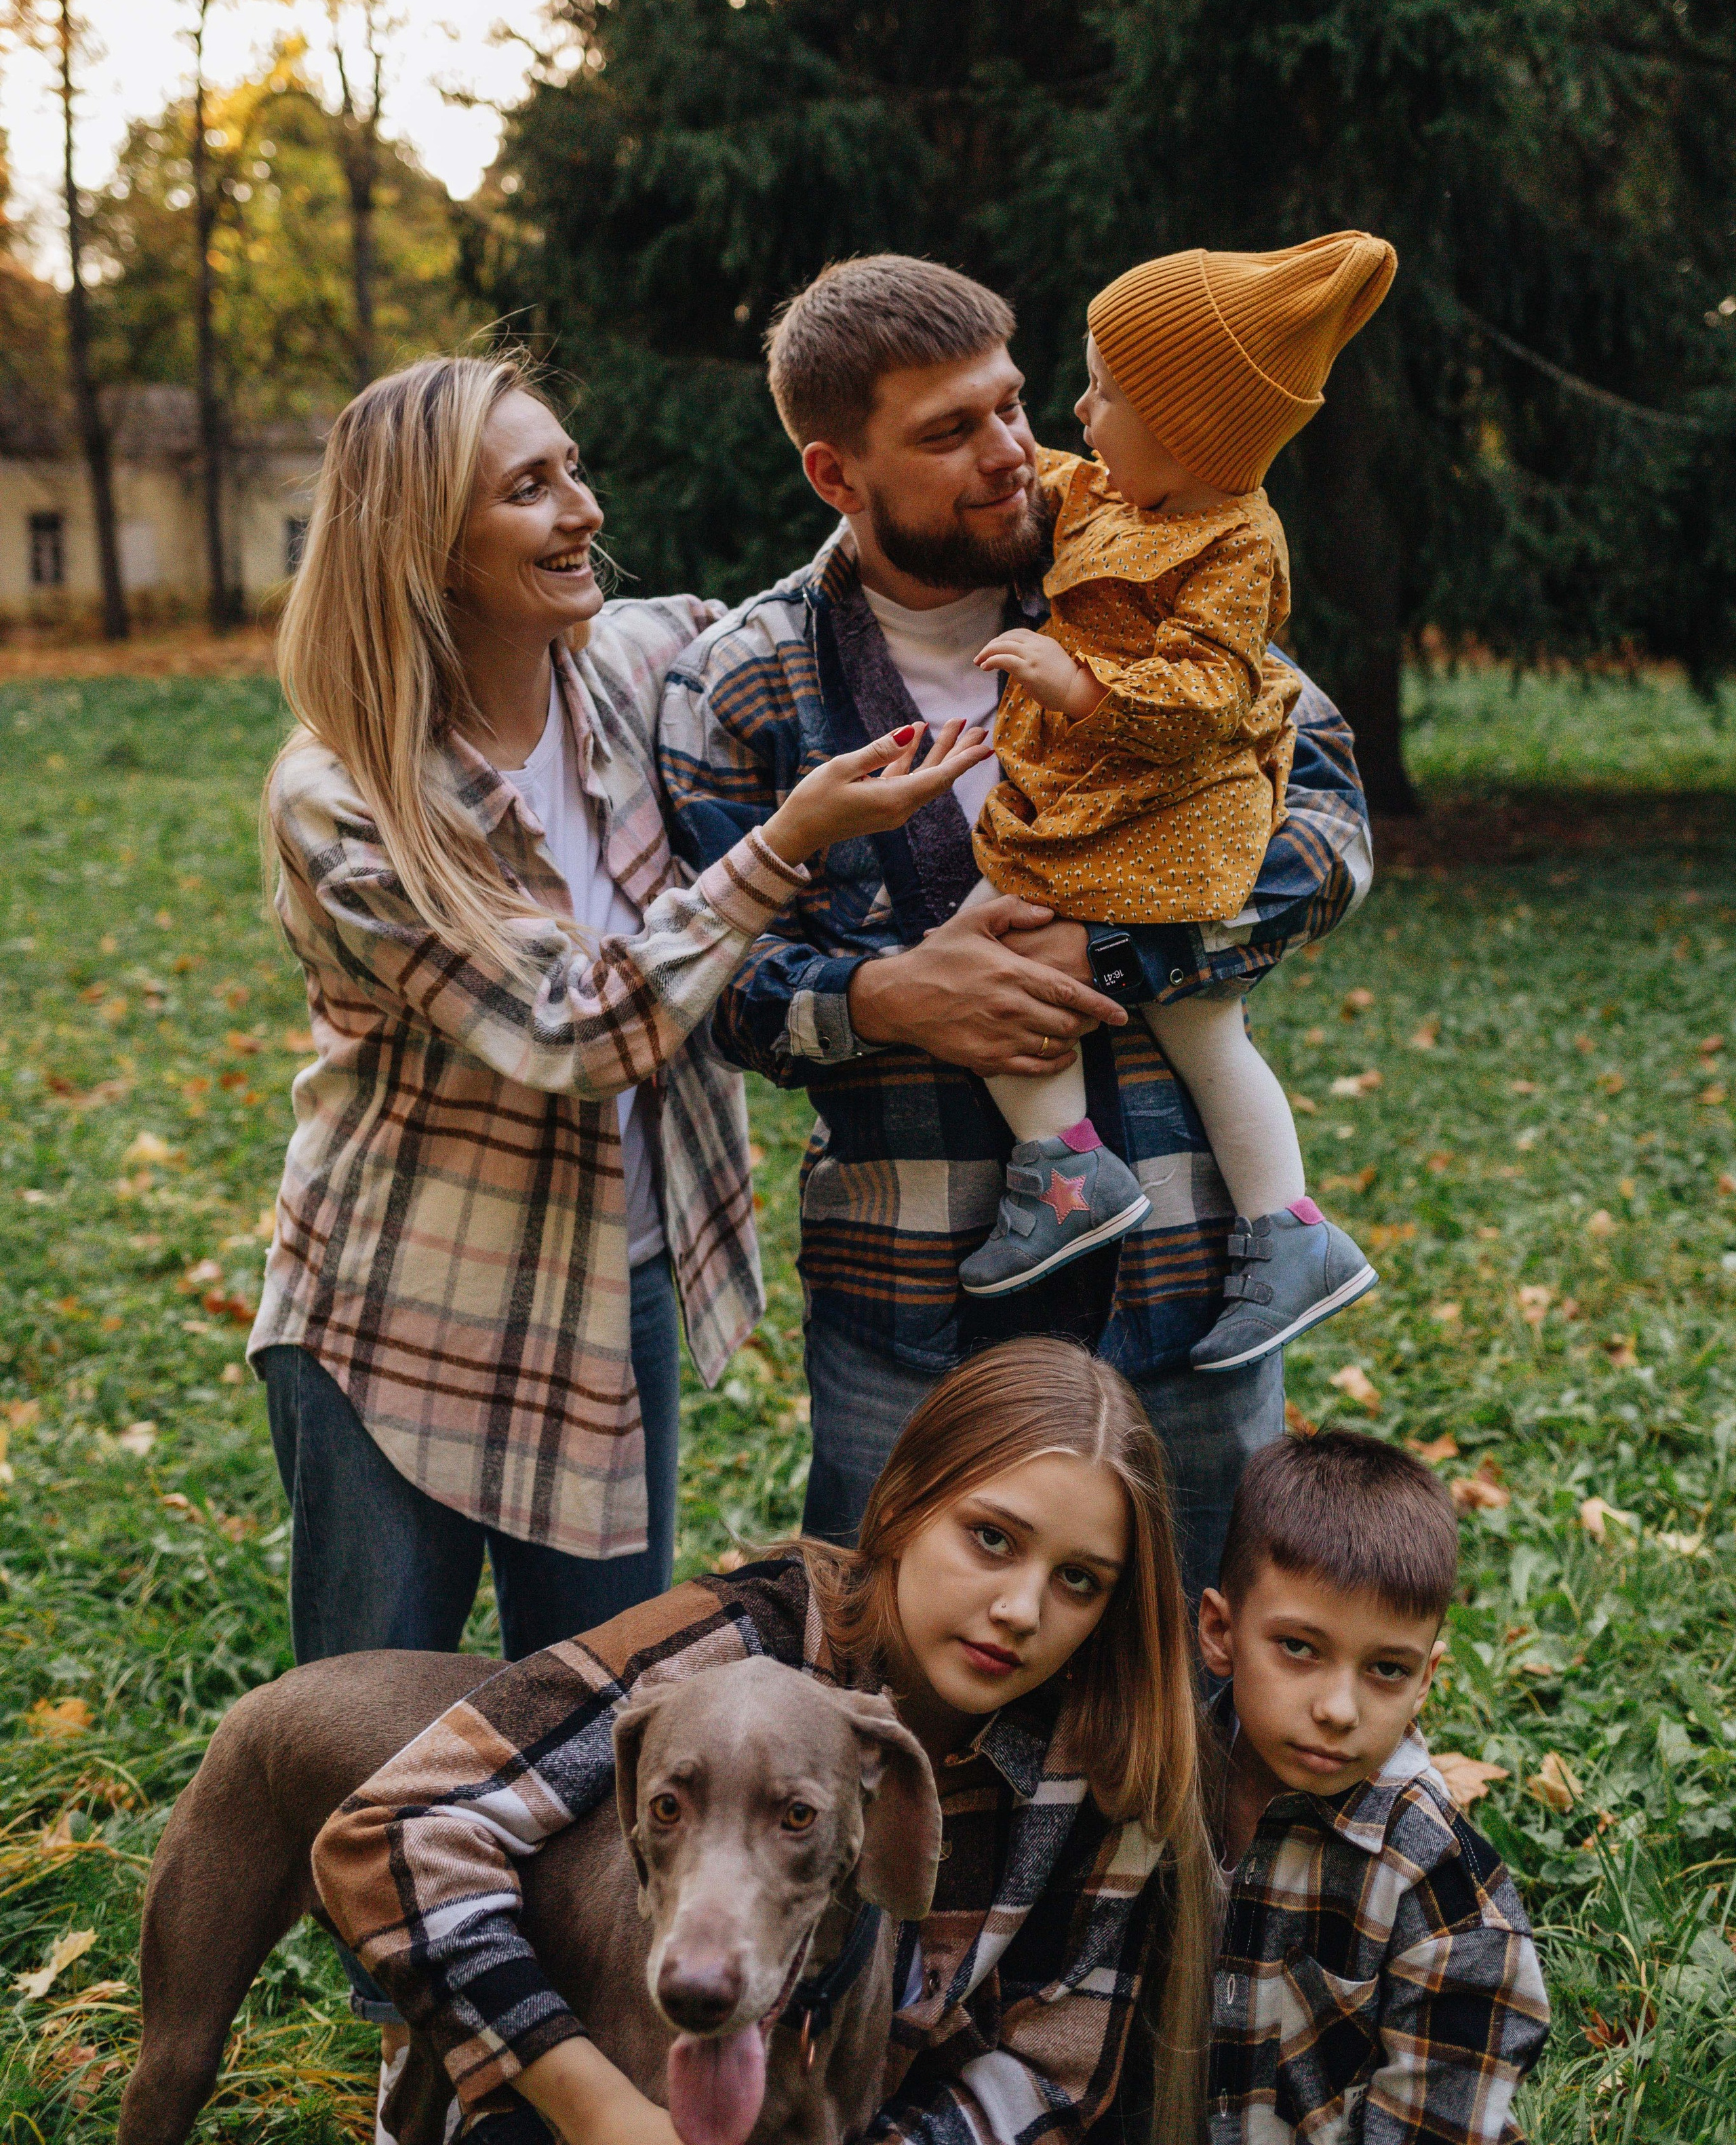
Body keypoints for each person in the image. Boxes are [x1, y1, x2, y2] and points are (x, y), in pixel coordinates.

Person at [245, 351, 988, 2055]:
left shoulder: (639, 662)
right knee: (384, 1745)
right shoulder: (342, 792)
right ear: (420, 543)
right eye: (526, 487)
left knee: (600, 1741)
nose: (580, 509)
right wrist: (780, 844)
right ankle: (425, 2061)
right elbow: (572, 1029)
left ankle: (589, 2053)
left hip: (612, 1291)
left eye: (571, 468)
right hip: (399, 1316)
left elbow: (814, 615)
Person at [658, 255, 1373, 1602]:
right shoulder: (746, 680)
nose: (1008, 456)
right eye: (946, 435)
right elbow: (716, 977)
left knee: (1197, 1689)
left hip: (1188, 1281)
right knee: (882, 1698)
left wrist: (1120, 951)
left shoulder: (1148, 563)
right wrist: (886, 1000)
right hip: (919, 1307)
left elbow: (1325, 832)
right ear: (833, 475)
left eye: (1011, 406)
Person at [311, 1339, 1217, 2145]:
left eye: (1079, 1580)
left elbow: (1050, 2066)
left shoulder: (1103, 1756)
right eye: (991, 1538)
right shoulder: (735, 1651)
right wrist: (595, 2108)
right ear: (902, 1506)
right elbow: (387, 1835)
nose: (1021, 1610)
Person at [958, 236, 1395, 1380]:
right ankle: (1200, 1202)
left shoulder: (1237, 542)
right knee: (1161, 1013)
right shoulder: (1117, 484)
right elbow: (1051, 475)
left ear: (1186, 428)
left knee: (1016, 957)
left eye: (1104, 389)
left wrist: (1080, 684)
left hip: (1168, 816)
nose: (1077, 409)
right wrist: (991, 467)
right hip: (1107, 803)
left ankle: (1114, 1182)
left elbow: (1210, 692)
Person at [1198, 1432, 1551, 2145]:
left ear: (1426, 1680)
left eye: (1385, 1669)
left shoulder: (1437, 1876)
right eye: (1299, 1647)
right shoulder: (1154, 1787)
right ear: (1219, 1632)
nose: (1338, 1709)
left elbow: (1441, 2107)